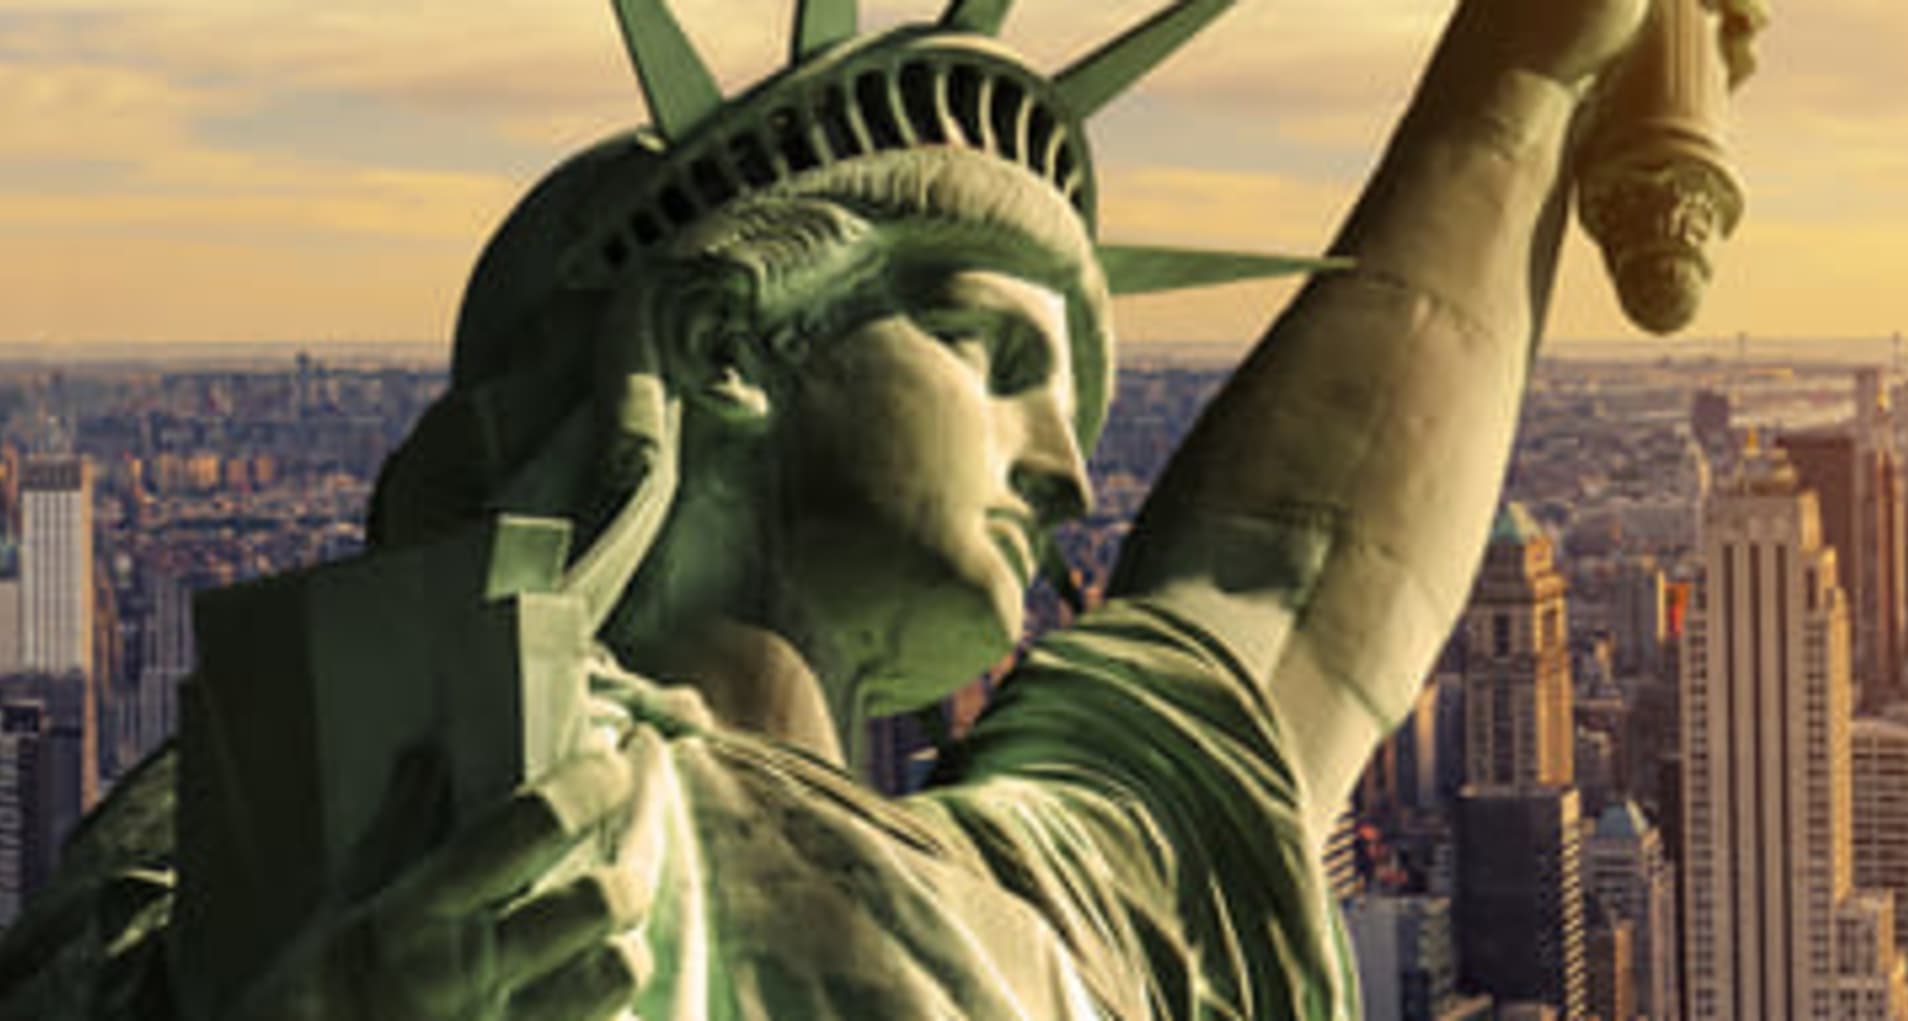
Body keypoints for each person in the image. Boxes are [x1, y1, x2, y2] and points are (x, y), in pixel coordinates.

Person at [0, 0, 1759, 1016]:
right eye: (995, 351)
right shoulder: (401, 794)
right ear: (723, 339)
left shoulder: (1041, 891)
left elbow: (1290, 588)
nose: (1067, 469)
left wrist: (1525, 84)